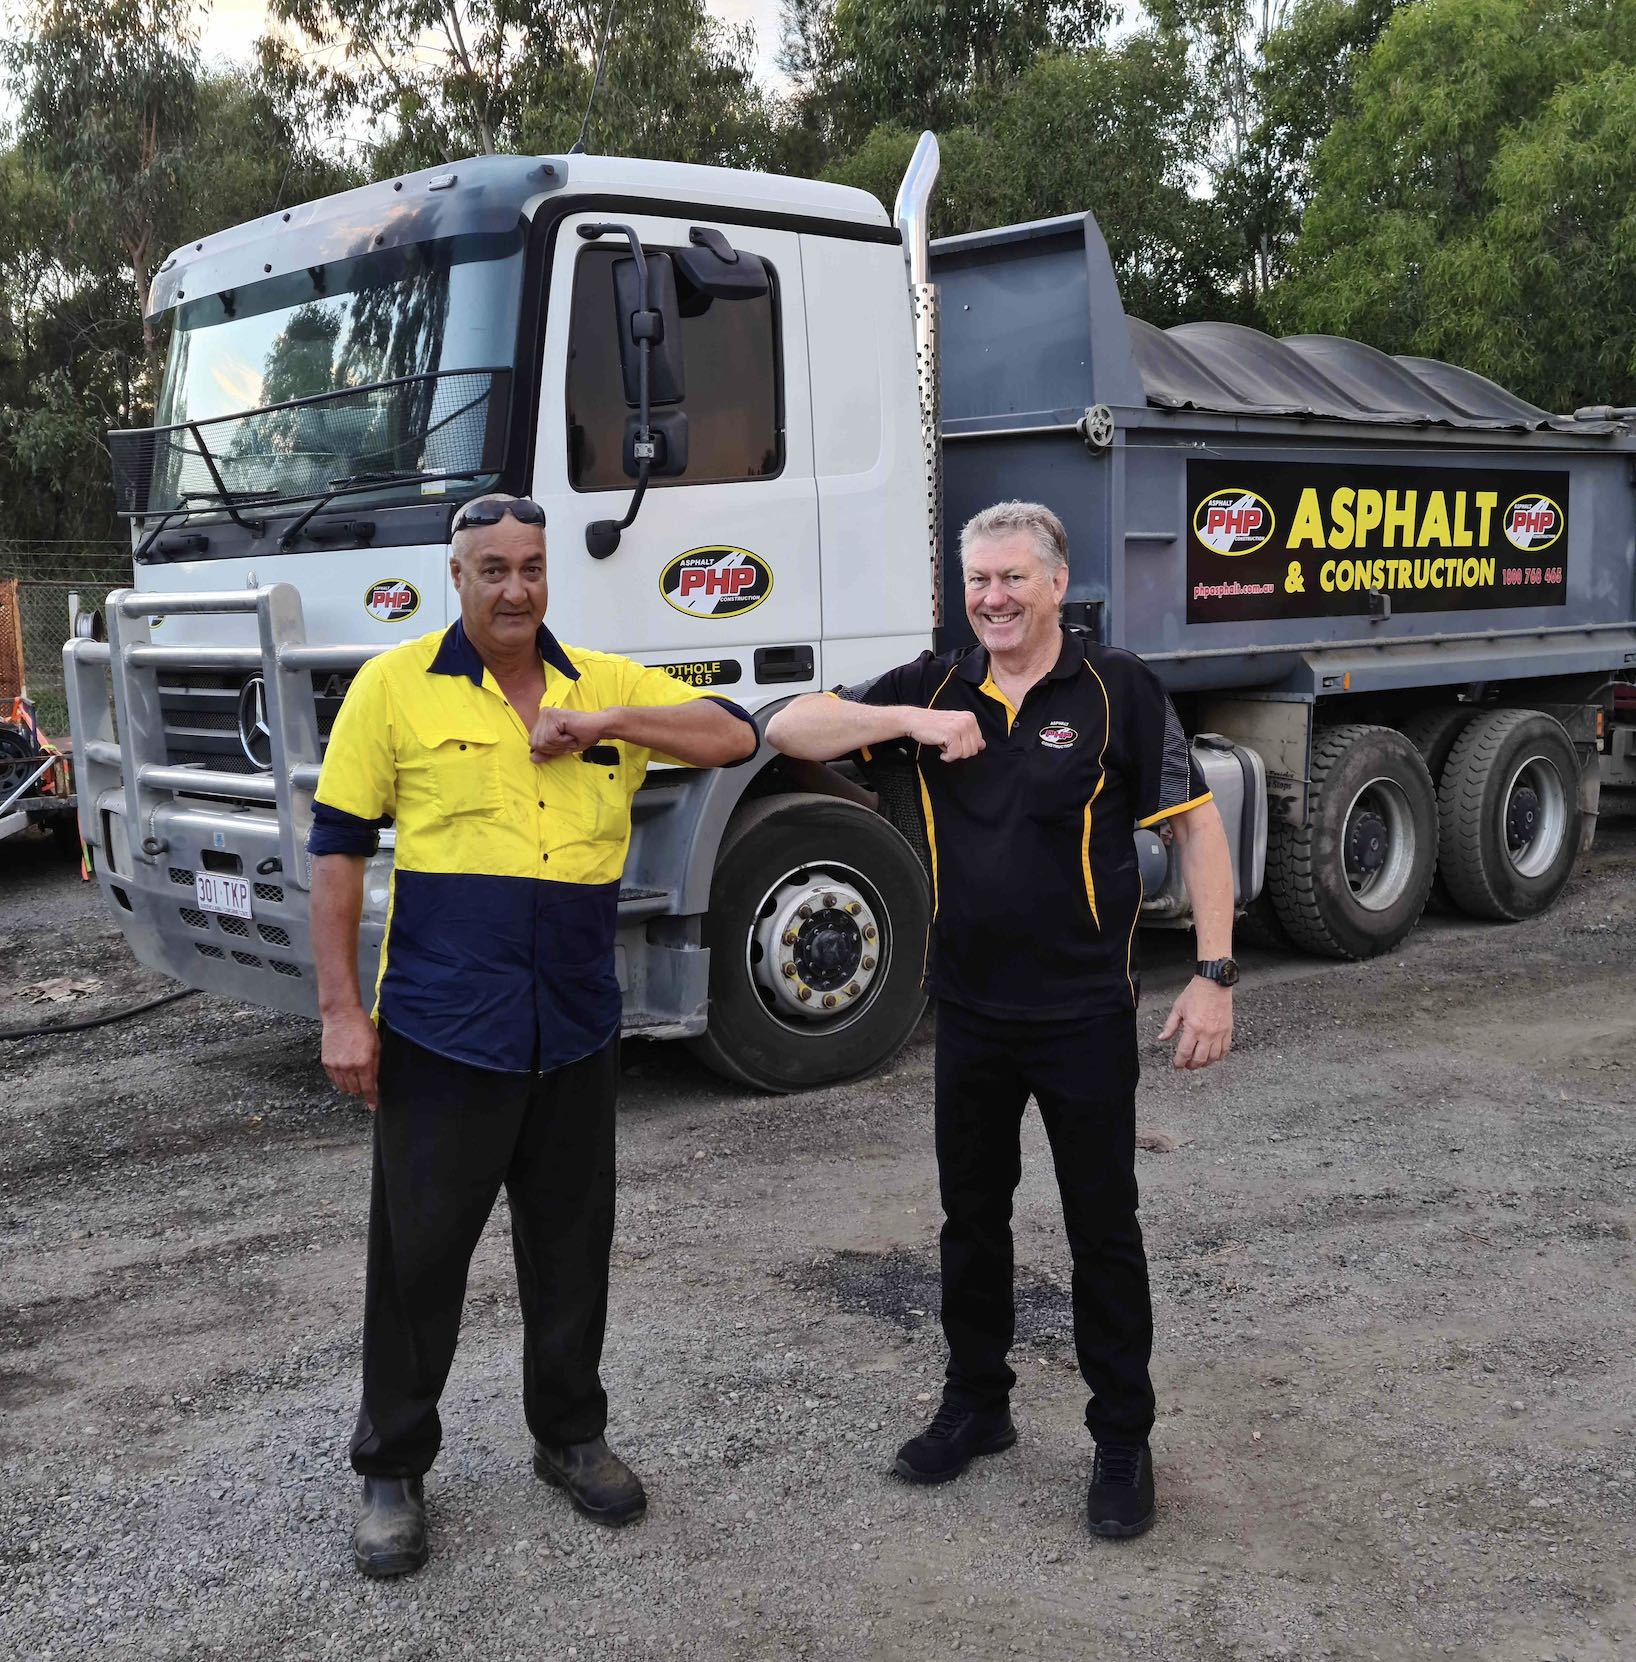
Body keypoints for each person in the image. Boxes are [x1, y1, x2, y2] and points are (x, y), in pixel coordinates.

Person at [764, 499, 1236, 1539]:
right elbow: (787, 727)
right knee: (970, 1223)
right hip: (968, 1014)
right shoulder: (933, 685)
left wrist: (1213, 973)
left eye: (1013, 578)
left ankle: (1122, 1440)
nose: (994, 598)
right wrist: (907, 724)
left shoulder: (1117, 691)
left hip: (1082, 1017)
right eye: (979, 581)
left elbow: (1197, 831)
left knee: (1101, 1230)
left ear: (1057, 583)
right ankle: (976, 1407)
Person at [308, 494, 758, 1577]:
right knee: (418, 1260)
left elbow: (736, 733)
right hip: (443, 1025)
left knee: (570, 1251)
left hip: (572, 1025)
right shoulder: (394, 687)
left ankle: (569, 1436)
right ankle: (393, 1463)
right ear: (453, 577)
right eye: (493, 568)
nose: (515, 588)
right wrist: (338, 1010)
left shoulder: (600, 683)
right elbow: (336, 851)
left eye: (532, 568)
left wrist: (606, 726)